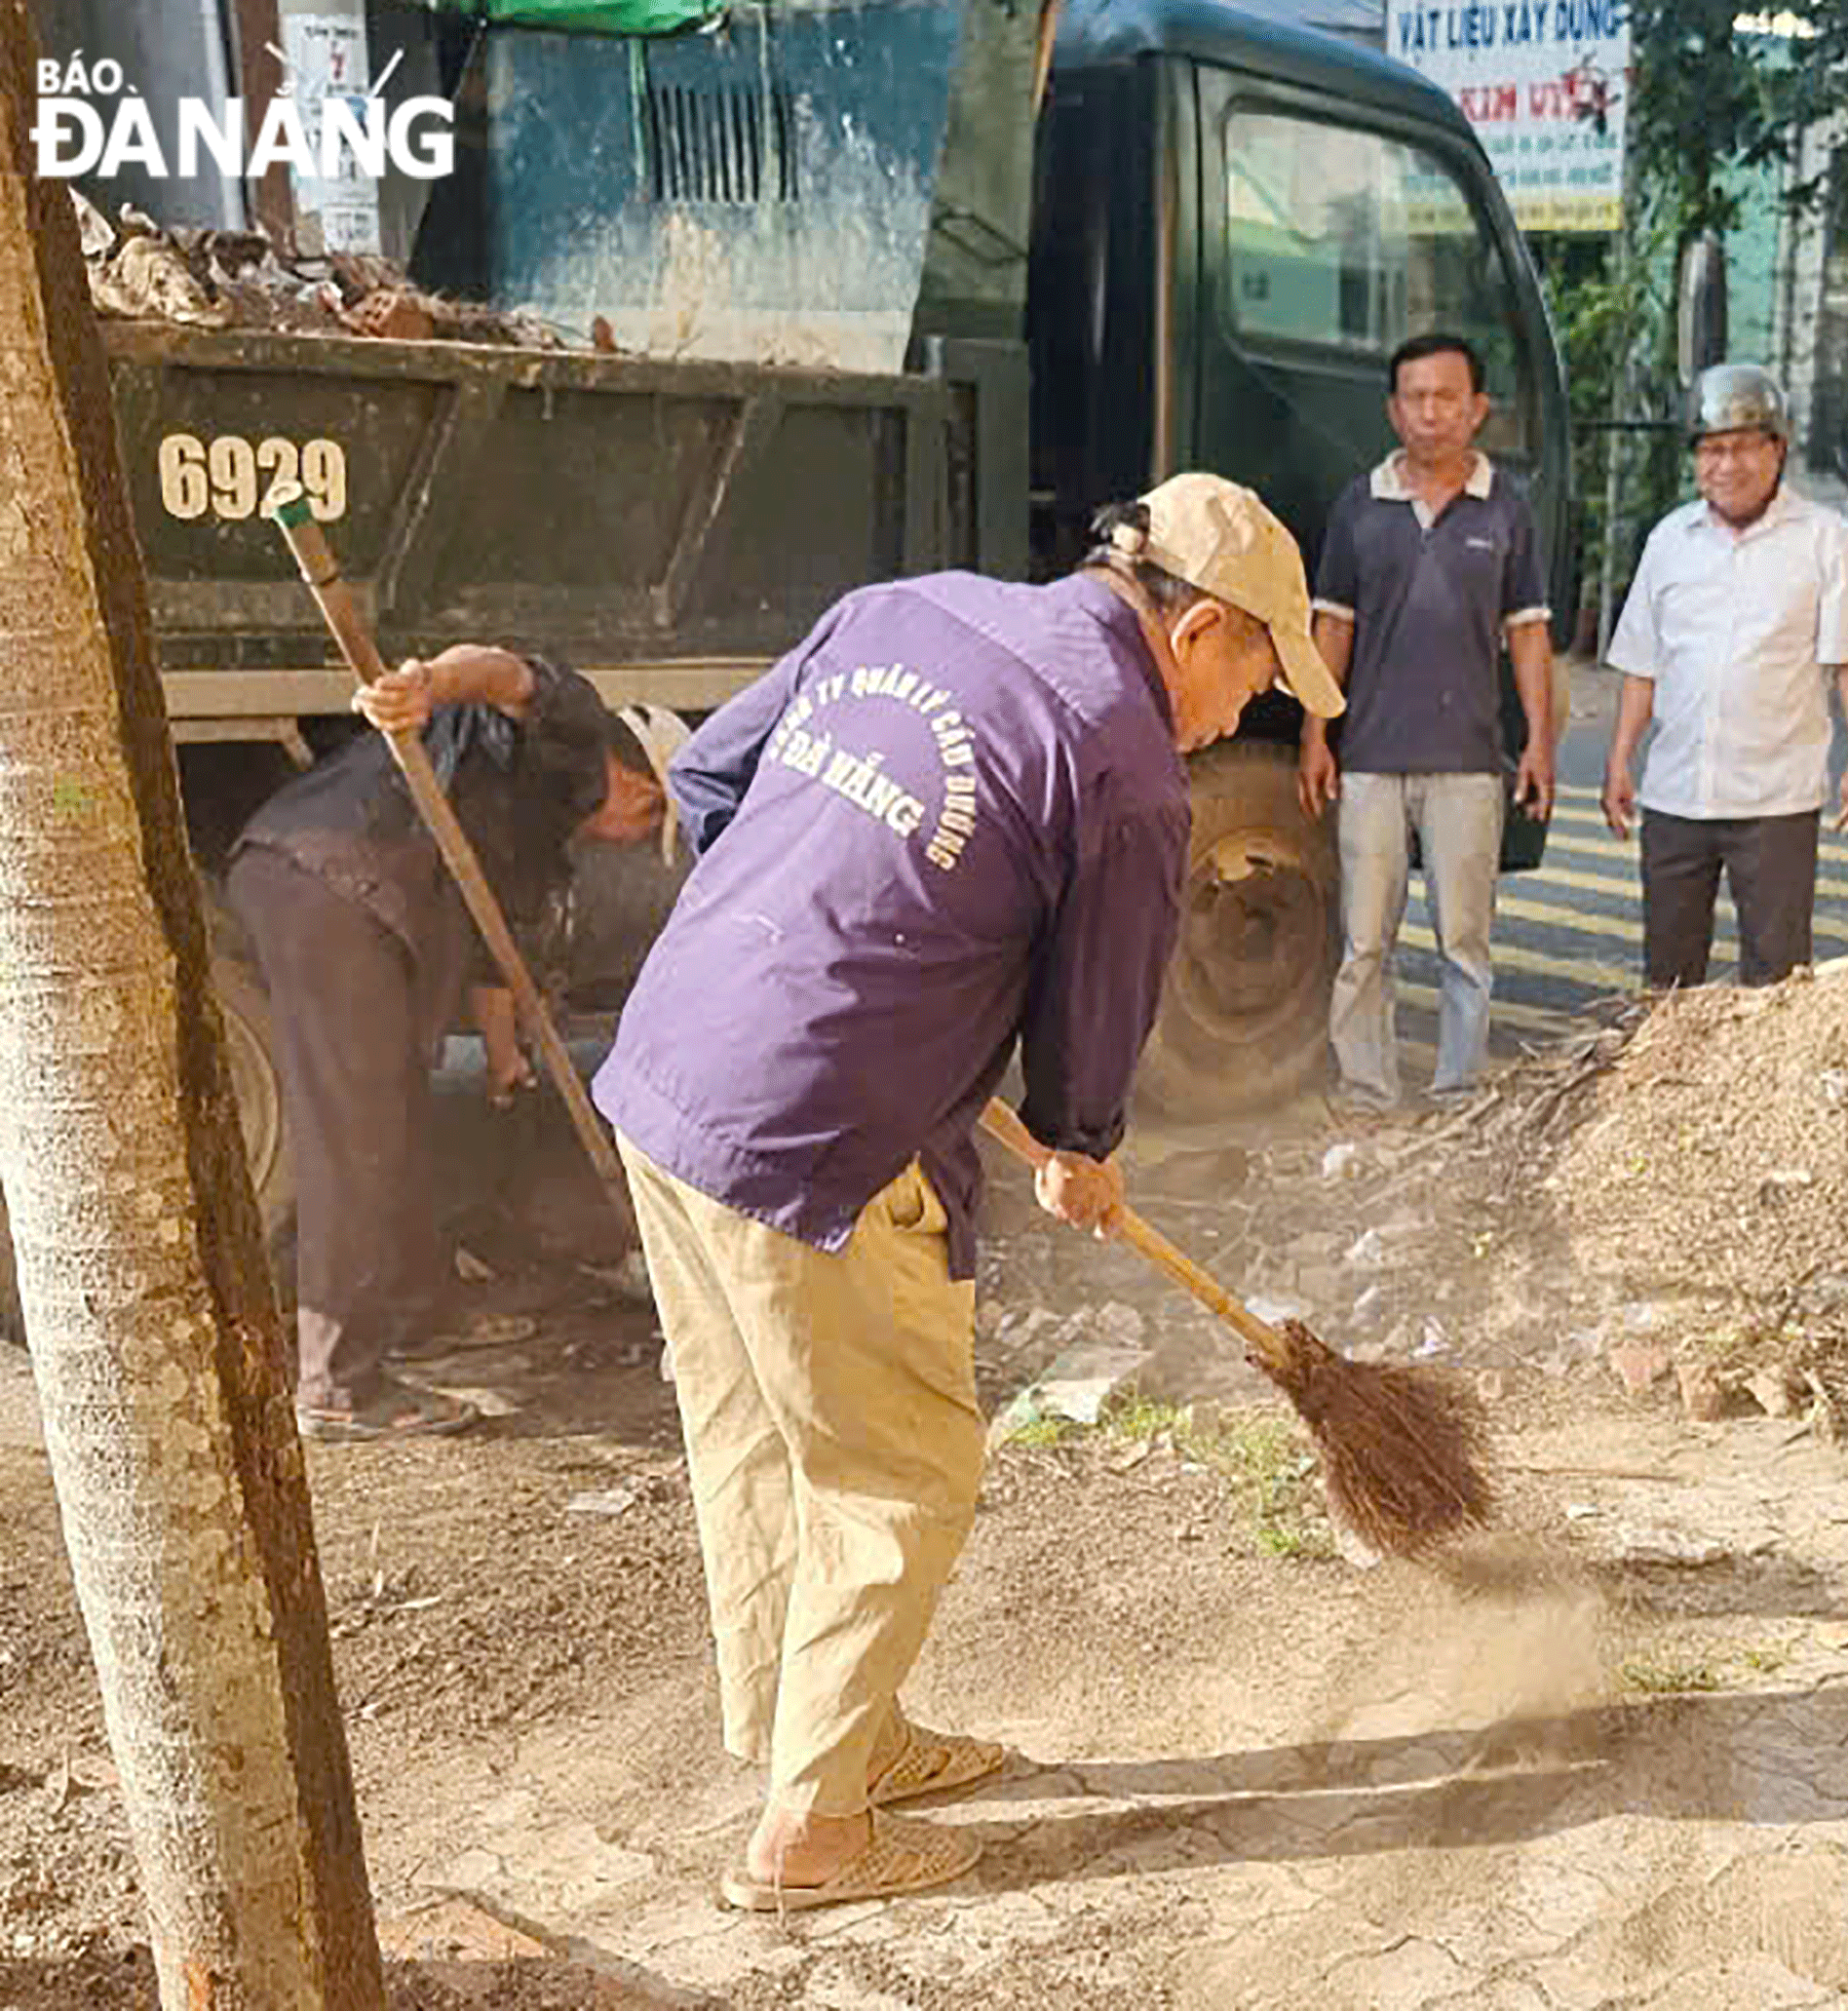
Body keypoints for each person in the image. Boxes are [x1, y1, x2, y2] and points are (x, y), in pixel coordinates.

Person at [590, 474, 1343, 1913]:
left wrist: (818, 932)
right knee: (899, 1469)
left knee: (757, 1434)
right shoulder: (1123, 761)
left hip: (670, 1070)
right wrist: (1076, 1137)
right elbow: (1096, 1024)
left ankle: (830, 1734)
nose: (1247, 708)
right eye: (1256, 670)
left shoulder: (907, 606)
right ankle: (812, 1831)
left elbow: (708, 784)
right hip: (815, 1130)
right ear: (1197, 628)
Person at [225, 644, 668, 1443]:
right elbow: (502, 668)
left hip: (349, 898)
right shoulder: (573, 730)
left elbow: (498, 956)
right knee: (354, 1135)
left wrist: (503, 1055)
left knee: (396, 1114)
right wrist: (425, 685)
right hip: (328, 881)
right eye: (646, 820)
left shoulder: (537, 833)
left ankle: (419, 1311)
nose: (631, 840)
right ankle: (338, 1385)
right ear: (639, 777)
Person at [1300, 331, 1557, 1112]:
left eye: (1448, 397)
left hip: (1469, 760)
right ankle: (1367, 1088)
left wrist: (1540, 740)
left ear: (1478, 409)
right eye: (1415, 397)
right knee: (1364, 943)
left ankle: (1458, 1090)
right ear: (1392, 408)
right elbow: (1332, 627)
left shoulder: (1505, 509)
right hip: (1372, 756)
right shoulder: (1359, 505)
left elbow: (1529, 634)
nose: (1431, 413)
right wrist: (1317, 733)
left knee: (1465, 944)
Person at [1601, 362, 1848, 988]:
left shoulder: (1825, 540)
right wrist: (1620, 759)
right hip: (1677, 795)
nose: (1724, 466)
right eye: (1710, 450)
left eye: (1740, 448)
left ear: (1777, 449)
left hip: (1775, 803)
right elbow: (1642, 665)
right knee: (1669, 977)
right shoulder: (1668, 540)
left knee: (1778, 977)